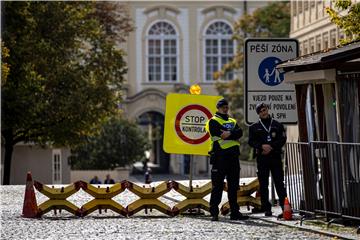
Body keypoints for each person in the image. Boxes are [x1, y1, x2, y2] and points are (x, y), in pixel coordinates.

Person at [205, 98, 249, 221]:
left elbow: (240, 132)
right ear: (218, 108)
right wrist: (232, 133)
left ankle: (235, 212)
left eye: (226, 106)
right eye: (223, 106)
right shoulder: (212, 121)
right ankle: (214, 212)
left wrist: (229, 134)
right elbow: (217, 133)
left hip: (233, 157)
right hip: (219, 156)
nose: (225, 108)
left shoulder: (232, 120)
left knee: (234, 186)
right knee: (217, 186)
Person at [248, 103, 287, 217]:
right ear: (258, 114)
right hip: (262, 158)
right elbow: (251, 141)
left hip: (275, 157)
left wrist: (271, 147)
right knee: (264, 184)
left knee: (279, 183)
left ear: (267, 110)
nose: (263, 112)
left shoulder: (277, 125)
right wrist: (261, 146)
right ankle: (267, 209)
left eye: (264, 110)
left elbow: (282, 139)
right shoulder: (254, 127)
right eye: (261, 111)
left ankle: (285, 208)